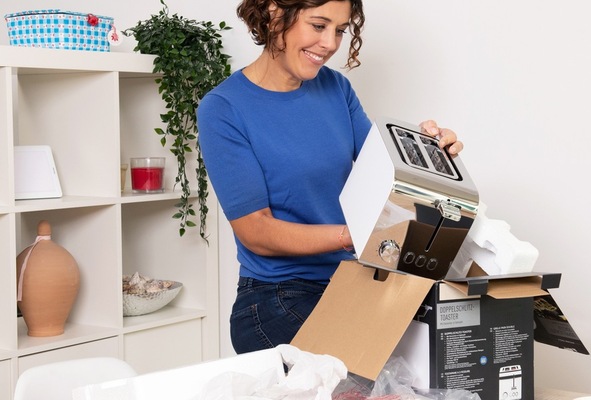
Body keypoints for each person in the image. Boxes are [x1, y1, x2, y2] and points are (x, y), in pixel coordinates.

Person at [197, 0, 464, 354]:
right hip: (276, 296)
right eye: (319, 25)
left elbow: (384, 176)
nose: (331, 44)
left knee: (442, 359)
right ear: (275, 13)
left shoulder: (336, 88)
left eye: (340, 30)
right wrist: (352, 235)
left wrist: (428, 152)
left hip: (353, 281)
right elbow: (256, 231)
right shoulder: (224, 108)